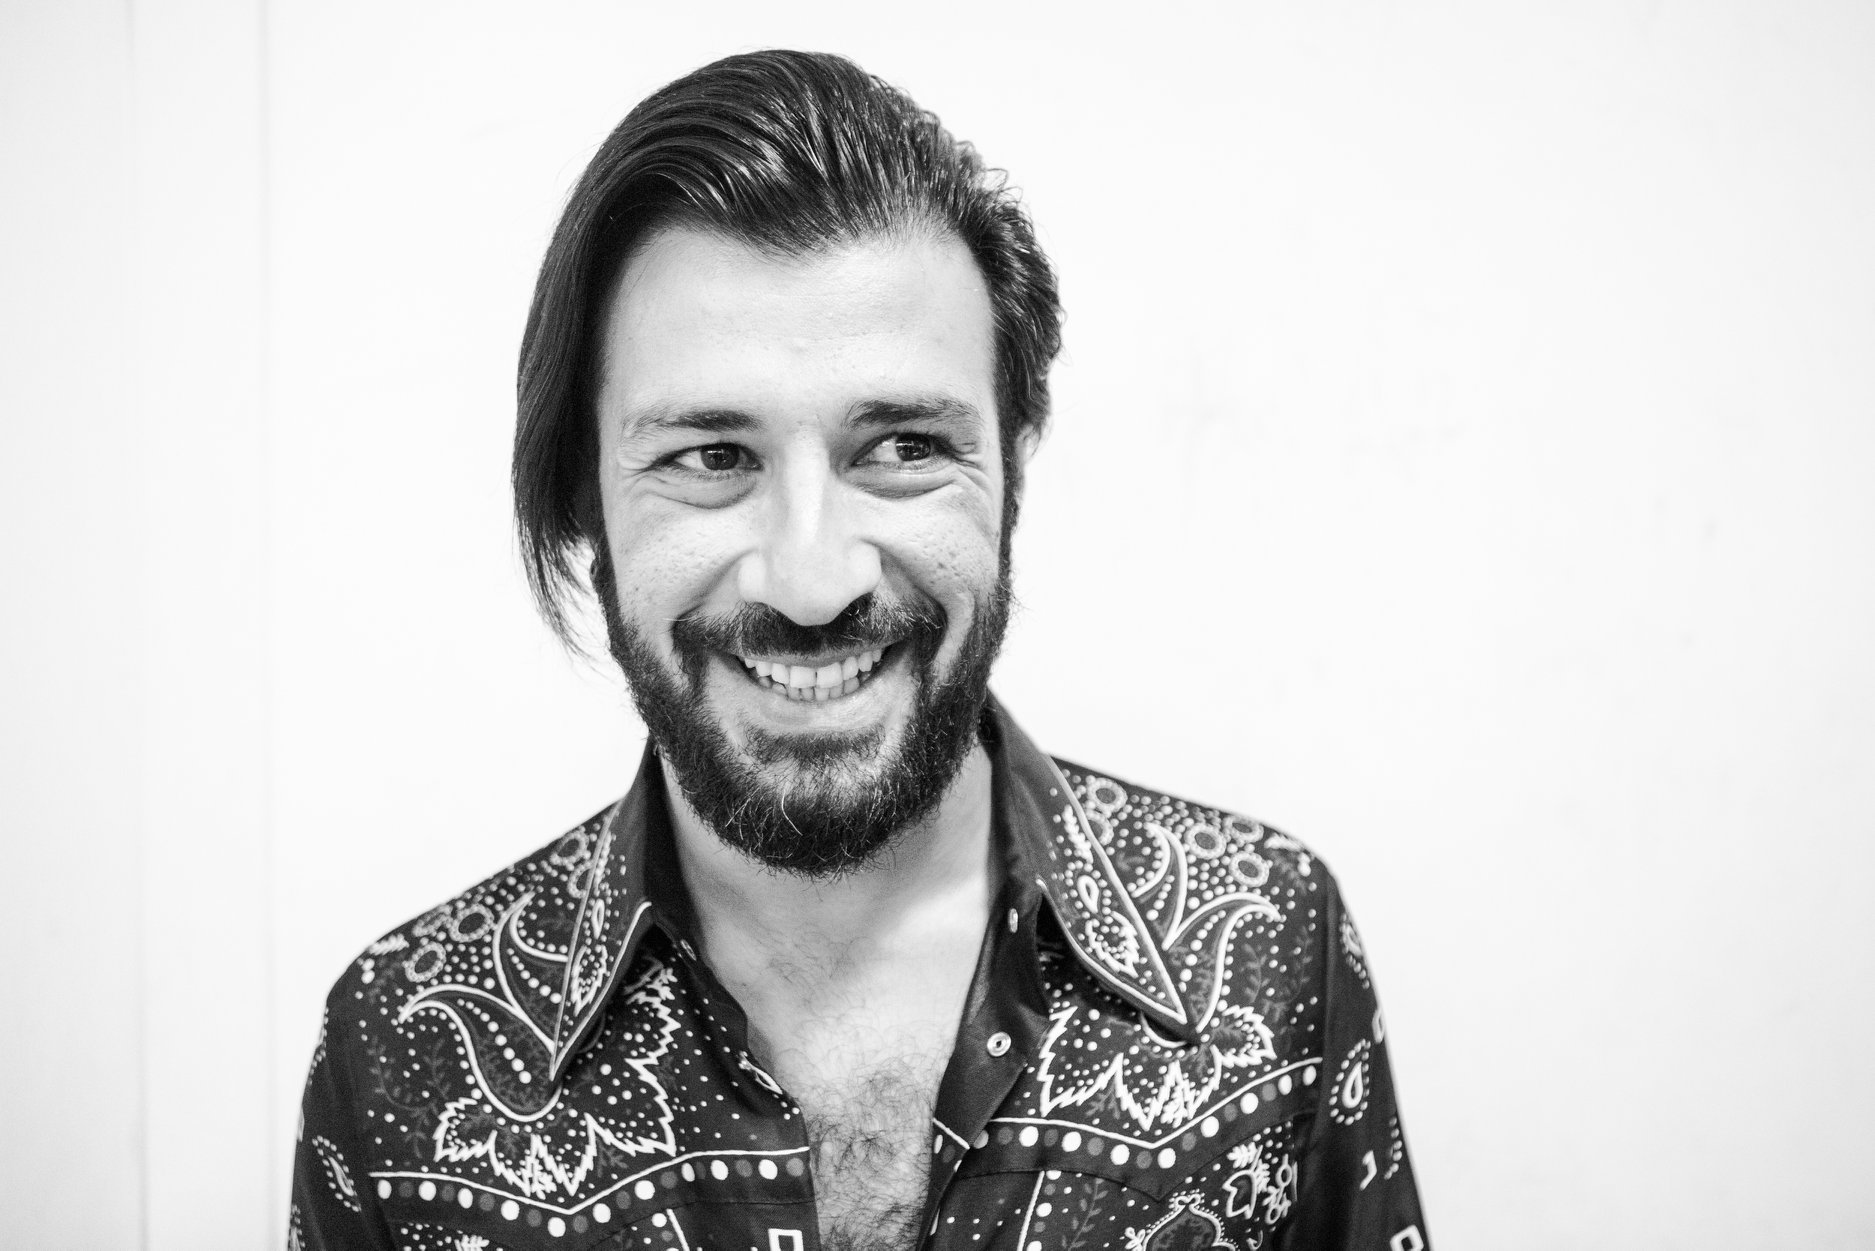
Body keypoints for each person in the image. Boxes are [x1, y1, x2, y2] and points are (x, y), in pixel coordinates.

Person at [289, 49, 1429, 1251]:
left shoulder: (1266, 949)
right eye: (710, 458)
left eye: (902, 448)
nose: (812, 579)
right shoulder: (401, 1054)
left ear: (1012, 469)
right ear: (586, 501)